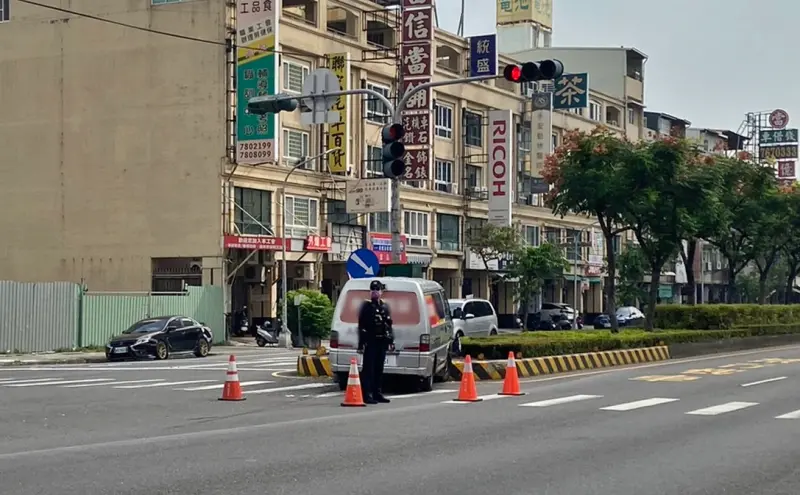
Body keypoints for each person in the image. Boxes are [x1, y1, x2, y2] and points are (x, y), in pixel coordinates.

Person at [358, 280, 394, 404]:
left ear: (381, 292)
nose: (375, 292)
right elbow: (361, 326)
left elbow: (389, 325)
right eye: (373, 290)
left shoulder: (384, 306)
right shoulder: (366, 307)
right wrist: (361, 343)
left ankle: (377, 393)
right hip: (371, 341)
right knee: (369, 370)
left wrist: (390, 340)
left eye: (377, 290)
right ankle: (367, 394)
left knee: (379, 369)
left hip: (382, 341)